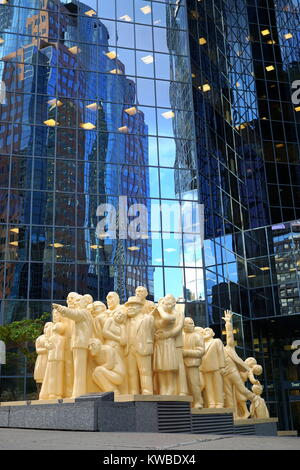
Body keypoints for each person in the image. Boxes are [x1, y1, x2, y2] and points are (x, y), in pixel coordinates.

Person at [53, 294, 94, 398]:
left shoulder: (83, 313)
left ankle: (78, 393)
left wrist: (60, 308)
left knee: (79, 370)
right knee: (78, 370)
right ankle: (77, 392)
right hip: (79, 344)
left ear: (84, 303)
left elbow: (73, 313)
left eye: (79, 301)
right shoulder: (85, 313)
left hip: (80, 344)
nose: (76, 302)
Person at [222, 310, 257, 418]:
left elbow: (229, 337)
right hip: (224, 374)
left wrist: (228, 323)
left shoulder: (229, 348)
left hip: (233, 372)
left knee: (241, 388)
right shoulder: (216, 354)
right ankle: (234, 415)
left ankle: (255, 399)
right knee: (229, 396)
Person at [124, 296, 155, 395]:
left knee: (145, 371)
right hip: (129, 349)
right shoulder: (126, 321)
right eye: (128, 306)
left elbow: (153, 332)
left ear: (140, 307)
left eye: (132, 305)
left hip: (143, 347)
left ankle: (147, 391)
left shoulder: (148, 318)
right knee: (131, 372)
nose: (129, 308)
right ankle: (134, 391)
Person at [152, 297, 179, 395]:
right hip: (159, 343)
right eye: (162, 303)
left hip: (168, 342)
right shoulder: (157, 316)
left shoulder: (171, 315)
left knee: (168, 367)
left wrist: (159, 309)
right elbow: (148, 320)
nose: (163, 305)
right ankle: (163, 389)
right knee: (160, 369)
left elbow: (166, 318)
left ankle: (170, 389)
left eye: (165, 303)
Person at [200, 327, 226, 408]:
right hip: (205, 369)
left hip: (216, 368)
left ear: (213, 334)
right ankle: (211, 403)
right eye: (203, 331)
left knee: (217, 386)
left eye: (207, 330)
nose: (205, 332)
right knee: (209, 388)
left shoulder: (216, 341)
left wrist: (222, 366)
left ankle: (219, 403)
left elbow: (221, 353)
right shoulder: (202, 344)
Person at [183, 318, 205, 408]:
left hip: (192, 364)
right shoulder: (181, 336)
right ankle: (188, 403)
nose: (193, 325)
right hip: (181, 364)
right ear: (184, 325)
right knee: (184, 385)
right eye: (190, 324)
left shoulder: (197, 336)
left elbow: (201, 351)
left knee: (194, 384)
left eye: (193, 323)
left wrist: (187, 353)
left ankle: (198, 402)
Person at [44, 322, 66, 399]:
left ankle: (52, 393)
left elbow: (48, 346)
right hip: (60, 358)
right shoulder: (63, 338)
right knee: (58, 376)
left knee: (53, 376)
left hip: (53, 358)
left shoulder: (51, 338)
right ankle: (58, 393)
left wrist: (47, 343)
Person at [34, 322, 53, 395]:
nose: (46, 329)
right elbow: (38, 350)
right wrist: (46, 349)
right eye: (45, 327)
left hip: (51, 359)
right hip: (42, 360)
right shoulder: (40, 338)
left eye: (48, 327)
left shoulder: (53, 338)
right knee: (41, 378)